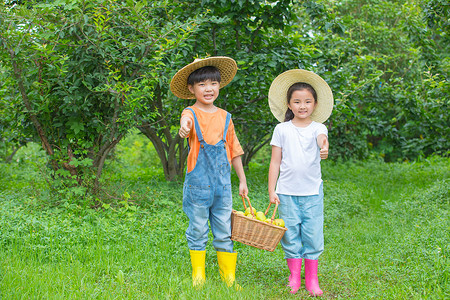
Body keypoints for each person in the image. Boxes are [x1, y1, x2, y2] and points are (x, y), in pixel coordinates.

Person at [170, 56, 248, 288]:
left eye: (213, 83)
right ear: (191, 88)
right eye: (202, 84)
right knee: (198, 227)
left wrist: (242, 180)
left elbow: (234, 151)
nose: (208, 89)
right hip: (198, 186)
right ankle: (198, 275)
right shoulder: (190, 113)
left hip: (223, 187)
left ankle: (229, 278)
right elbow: (185, 122)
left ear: (219, 86)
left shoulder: (226, 117)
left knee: (225, 229)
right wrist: (184, 128)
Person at [267, 69, 334, 296]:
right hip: (286, 191)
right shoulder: (281, 129)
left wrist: (324, 146)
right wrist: (271, 190)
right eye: (297, 101)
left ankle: (312, 279)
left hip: (312, 192)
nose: (302, 106)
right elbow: (275, 162)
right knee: (290, 233)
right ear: (289, 104)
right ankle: (295, 276)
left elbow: (321, 139)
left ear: (315, 104)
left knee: (313, 233)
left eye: (307, 101)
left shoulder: (319, 128)